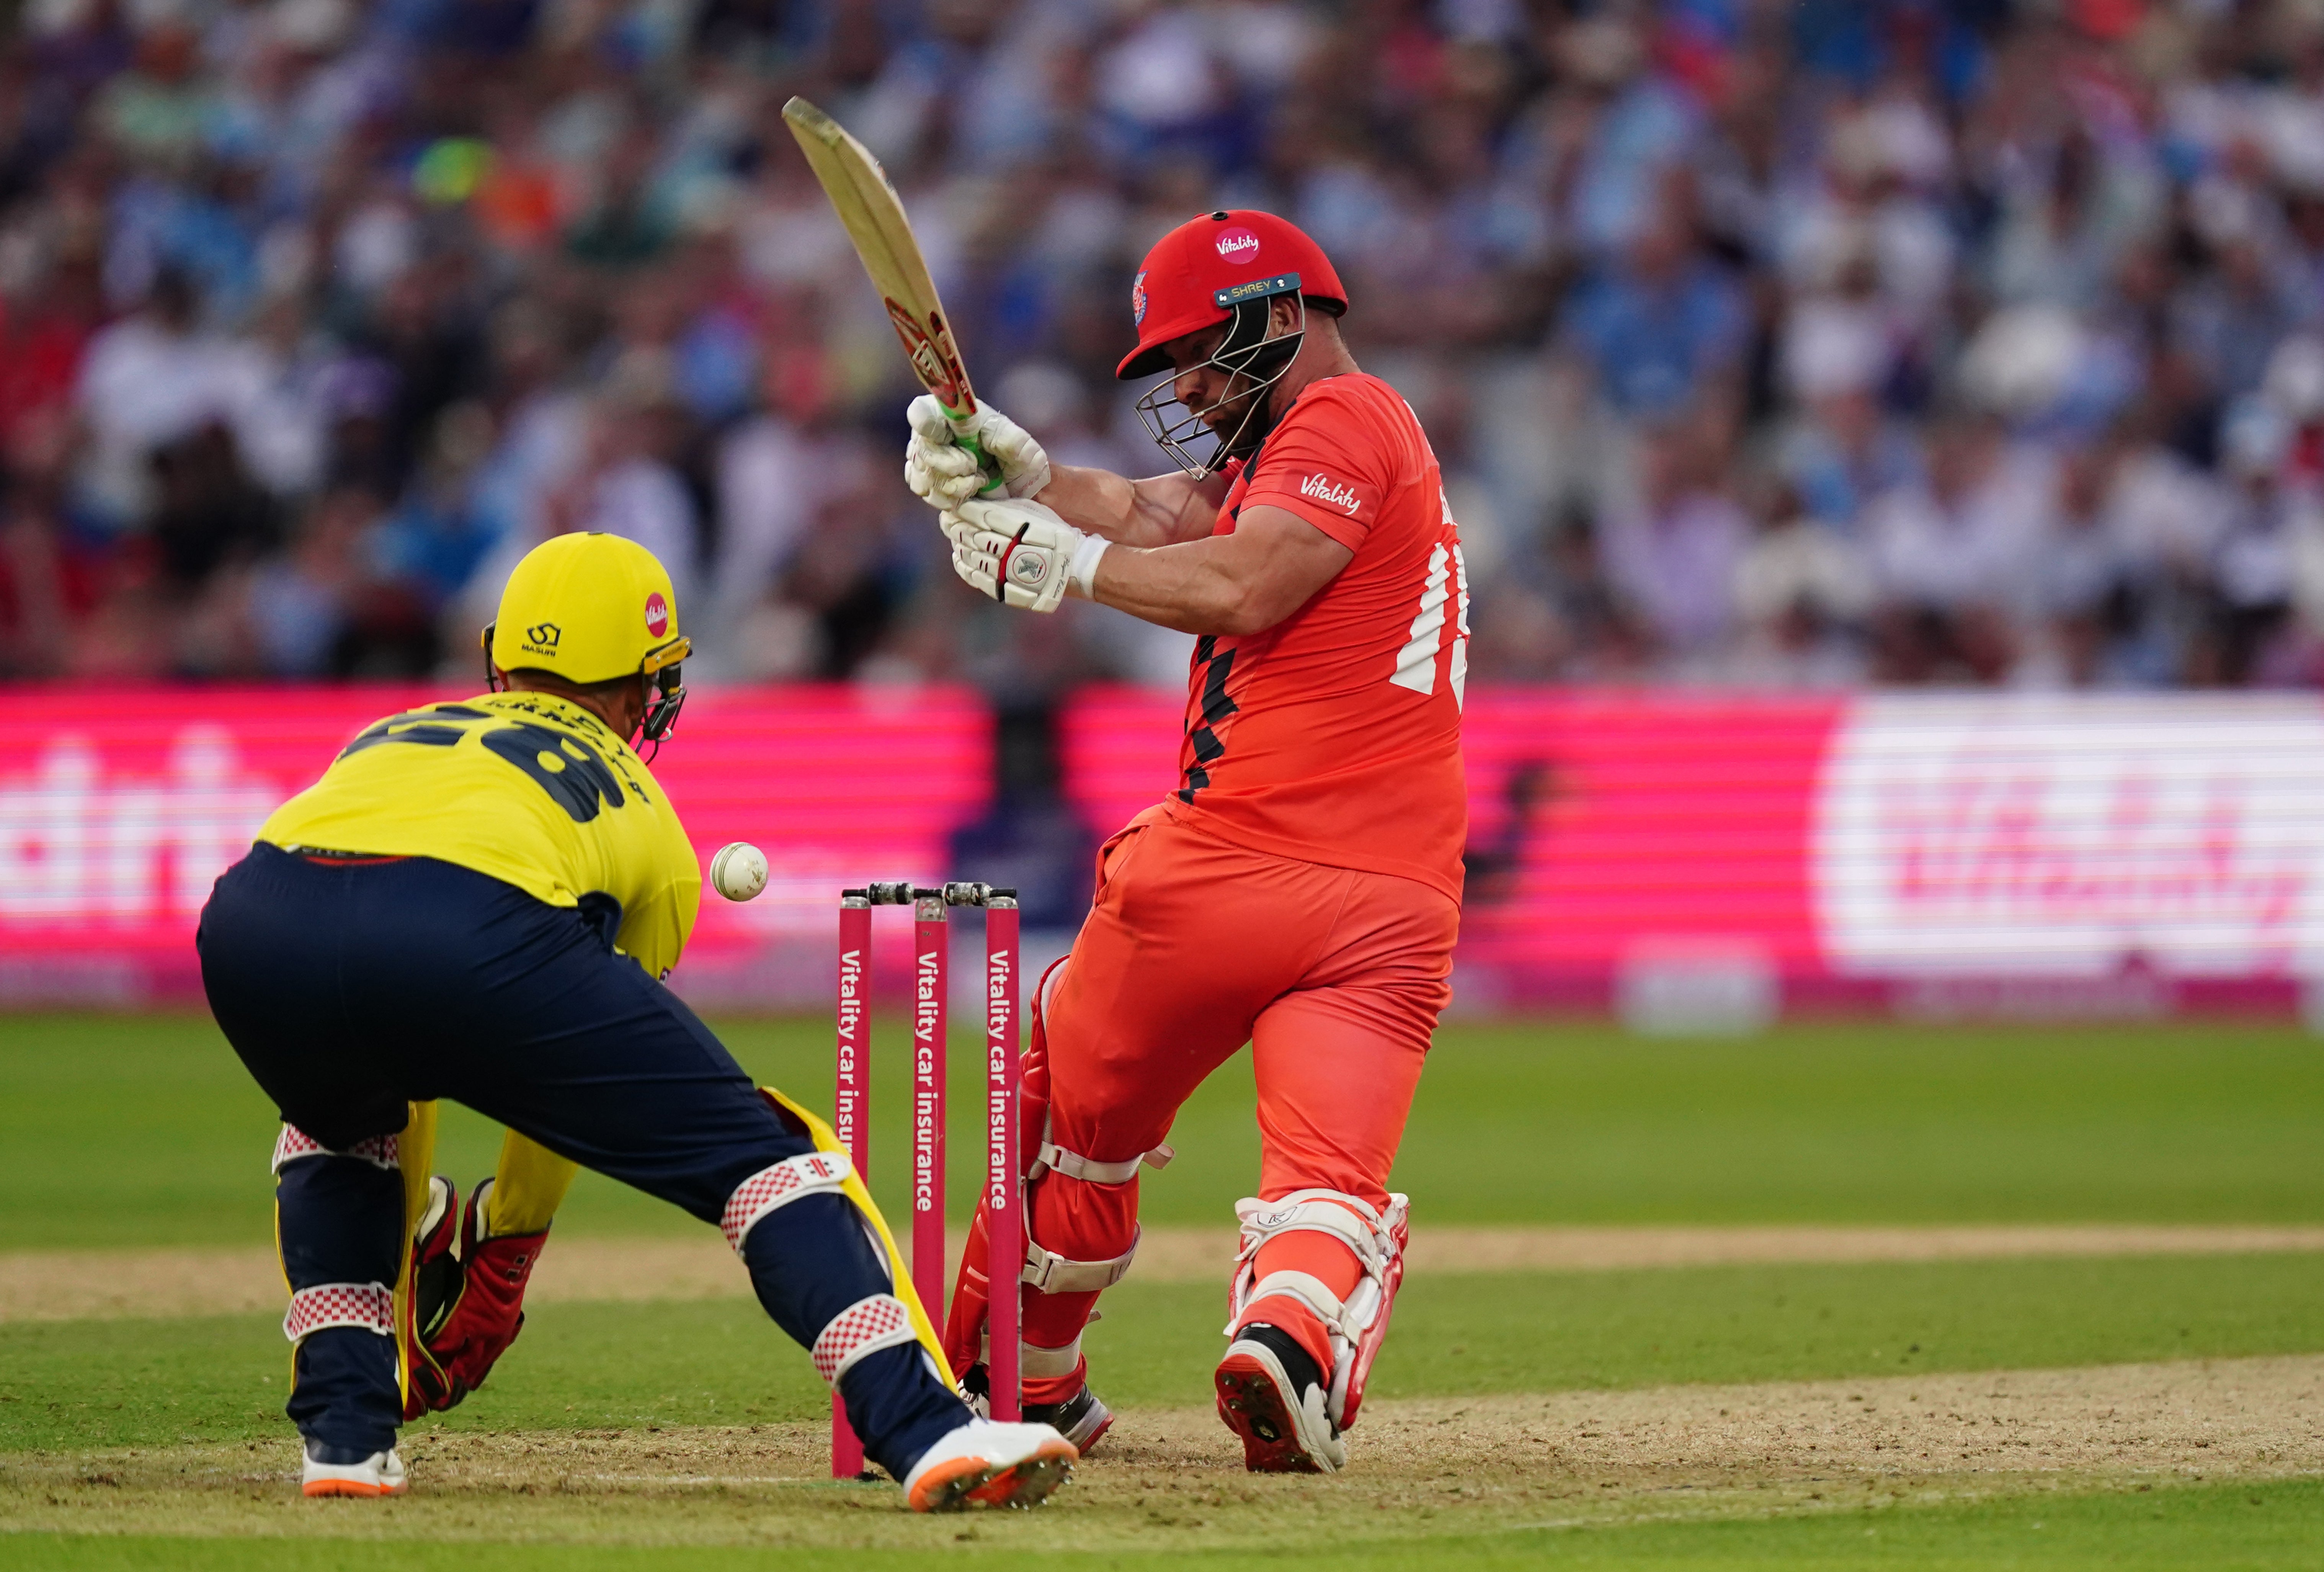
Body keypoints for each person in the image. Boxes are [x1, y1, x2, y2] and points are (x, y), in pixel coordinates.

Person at [195, 531, 1076, 1509]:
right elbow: (553, 1081)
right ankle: (928, 1429)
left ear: (501, 657)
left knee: (340, 1131)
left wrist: (420, 1200)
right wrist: (508, 1252)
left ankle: (347, 1437)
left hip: (256, 926)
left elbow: (398, 1034)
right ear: (638, 689)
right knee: (769, 1158)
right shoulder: (645, 816)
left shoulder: (396, 730)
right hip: (469, 926)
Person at [906, 210, 1469, 1472]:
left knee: (1069, 1107)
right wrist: (1026, 474)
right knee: (1329, 1178)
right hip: (1395, 902)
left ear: (1283, 315)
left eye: (1207, 353)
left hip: (1225, 870)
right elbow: (1171, 515)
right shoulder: (1331, 438)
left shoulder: (1343, 417)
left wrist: (1062, 564)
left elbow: (1240, 583)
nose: (1193, 385)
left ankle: (1022, 1376)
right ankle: (1288, 1333)